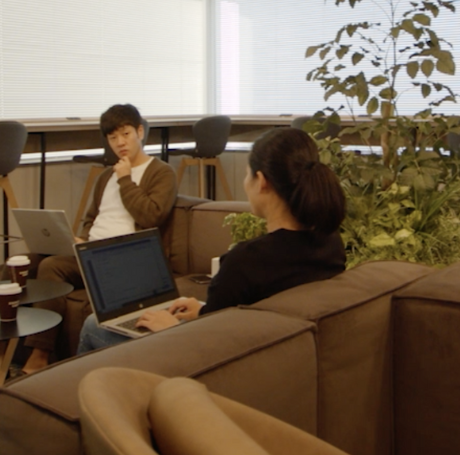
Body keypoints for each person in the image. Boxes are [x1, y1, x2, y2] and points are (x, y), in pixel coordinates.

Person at [0, 104, 177, 394]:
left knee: (51, 267)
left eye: (126, 134)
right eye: (112, 137)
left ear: (140, 132)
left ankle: (39, 358)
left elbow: (152, 216)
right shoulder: (106, 176)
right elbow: (93, 218)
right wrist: (81, 239)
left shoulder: (161, 172)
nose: (120, 142)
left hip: (123, 257)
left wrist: (125, 179)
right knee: (21, 262)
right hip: (91, 250)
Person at [77, 126, 346, 353]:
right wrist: (203, 311)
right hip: (280, 356)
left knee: (92, 326)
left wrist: (171, 328)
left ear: (261, 181)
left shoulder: (245, 262)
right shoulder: (330, 244)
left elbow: (209, 349)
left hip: (207, 366)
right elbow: (244, 318)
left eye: (246, 174)